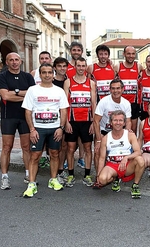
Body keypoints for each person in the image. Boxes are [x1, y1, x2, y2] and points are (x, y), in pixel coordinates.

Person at [21, 63, 69, 197]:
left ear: (53, 74)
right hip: (38, 129)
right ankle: (32, 183)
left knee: (54, 153)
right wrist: (32, 129)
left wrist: (61, 128)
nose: (47, 75)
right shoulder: (32, 90)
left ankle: (53, 179)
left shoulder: (59, 91)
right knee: (35, 156)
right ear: (40, 74)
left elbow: (63, 110)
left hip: (54, 128)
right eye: (44, 72)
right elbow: (28, 111)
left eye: (49, 72)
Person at [0, 52, 35, 190]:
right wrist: (23, 94)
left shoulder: (28, 77)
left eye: (16, 59)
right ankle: (4, 177)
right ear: (7, 62)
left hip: (25, 116)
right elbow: (5, 95)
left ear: (21, 61)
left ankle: (29, 175)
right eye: (11, 60)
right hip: (8, 116)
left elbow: (32, 94)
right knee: (7, 147)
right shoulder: (2, 77)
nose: (14, 62)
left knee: (26, 147)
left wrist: (14, 92)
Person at [94, 110, 145, 199]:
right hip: (112, 165)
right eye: (115, 120)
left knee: (140, 160)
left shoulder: (130, 135)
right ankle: (115, 178)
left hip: (127, 165)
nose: (118, 123)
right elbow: (102, 158)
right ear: (110, 122)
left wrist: (126, 157)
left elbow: (138, 152)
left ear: (124, 123)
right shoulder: (105, 138)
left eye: (120, 120)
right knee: (102, 180)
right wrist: (98, 175)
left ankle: (135, 185)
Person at [63, 57, 97, 187]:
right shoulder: (68, 82)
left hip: (87, 121)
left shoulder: (91, 83)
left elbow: (93, 103)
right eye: (79, 66)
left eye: (83, 66)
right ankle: (71, 174)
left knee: (88, 148)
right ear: (75, 67)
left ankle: (87, 175)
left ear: (86, 67)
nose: (81, 68)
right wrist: (66, 122)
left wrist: (94, 122)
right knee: (70, 148)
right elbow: (65, 104)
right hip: (72, 121)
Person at [93, 79, 132, 172]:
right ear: (109, 90)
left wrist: (127, 134)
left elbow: (128, 121)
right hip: (104, 131)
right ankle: (99, 176)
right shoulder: (103, 101)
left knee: (121, 152)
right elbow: (96, 121)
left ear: (123, 89)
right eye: (113, 89)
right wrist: (98, 140)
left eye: (118, 88)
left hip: (119, 132)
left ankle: (118, 173)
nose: (115, 91)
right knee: (98, 151)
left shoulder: (126, 103)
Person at [114, 46, 144, 134]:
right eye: (128, 54)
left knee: (133, 129)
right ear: (124, 54)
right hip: (121, 102)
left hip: (134, 103)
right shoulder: (118, 66)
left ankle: (131, 146)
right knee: (119, 126)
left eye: (133, 54)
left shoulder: (138, 67)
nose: (131, 56)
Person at [66, 41, 86, 168]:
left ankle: (81, 158)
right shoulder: (65, 66)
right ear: (70, 51)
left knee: (82, 137)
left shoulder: (85, 66)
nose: (76, 52)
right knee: (69, 139)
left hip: (83, 107)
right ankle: (69, 160)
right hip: (70, 108)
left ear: (82, 52)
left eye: (79, 50)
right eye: (74, 50)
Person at [52, 57, 70, 181]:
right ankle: (54, 172)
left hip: (65, 117)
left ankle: (60, 170)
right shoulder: (50, 82)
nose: (62, 68)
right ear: (55, 68)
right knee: (54, 147)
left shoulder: (69, 82)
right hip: (52, 118)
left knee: (64, 145)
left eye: (64, 66)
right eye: (59, 66)